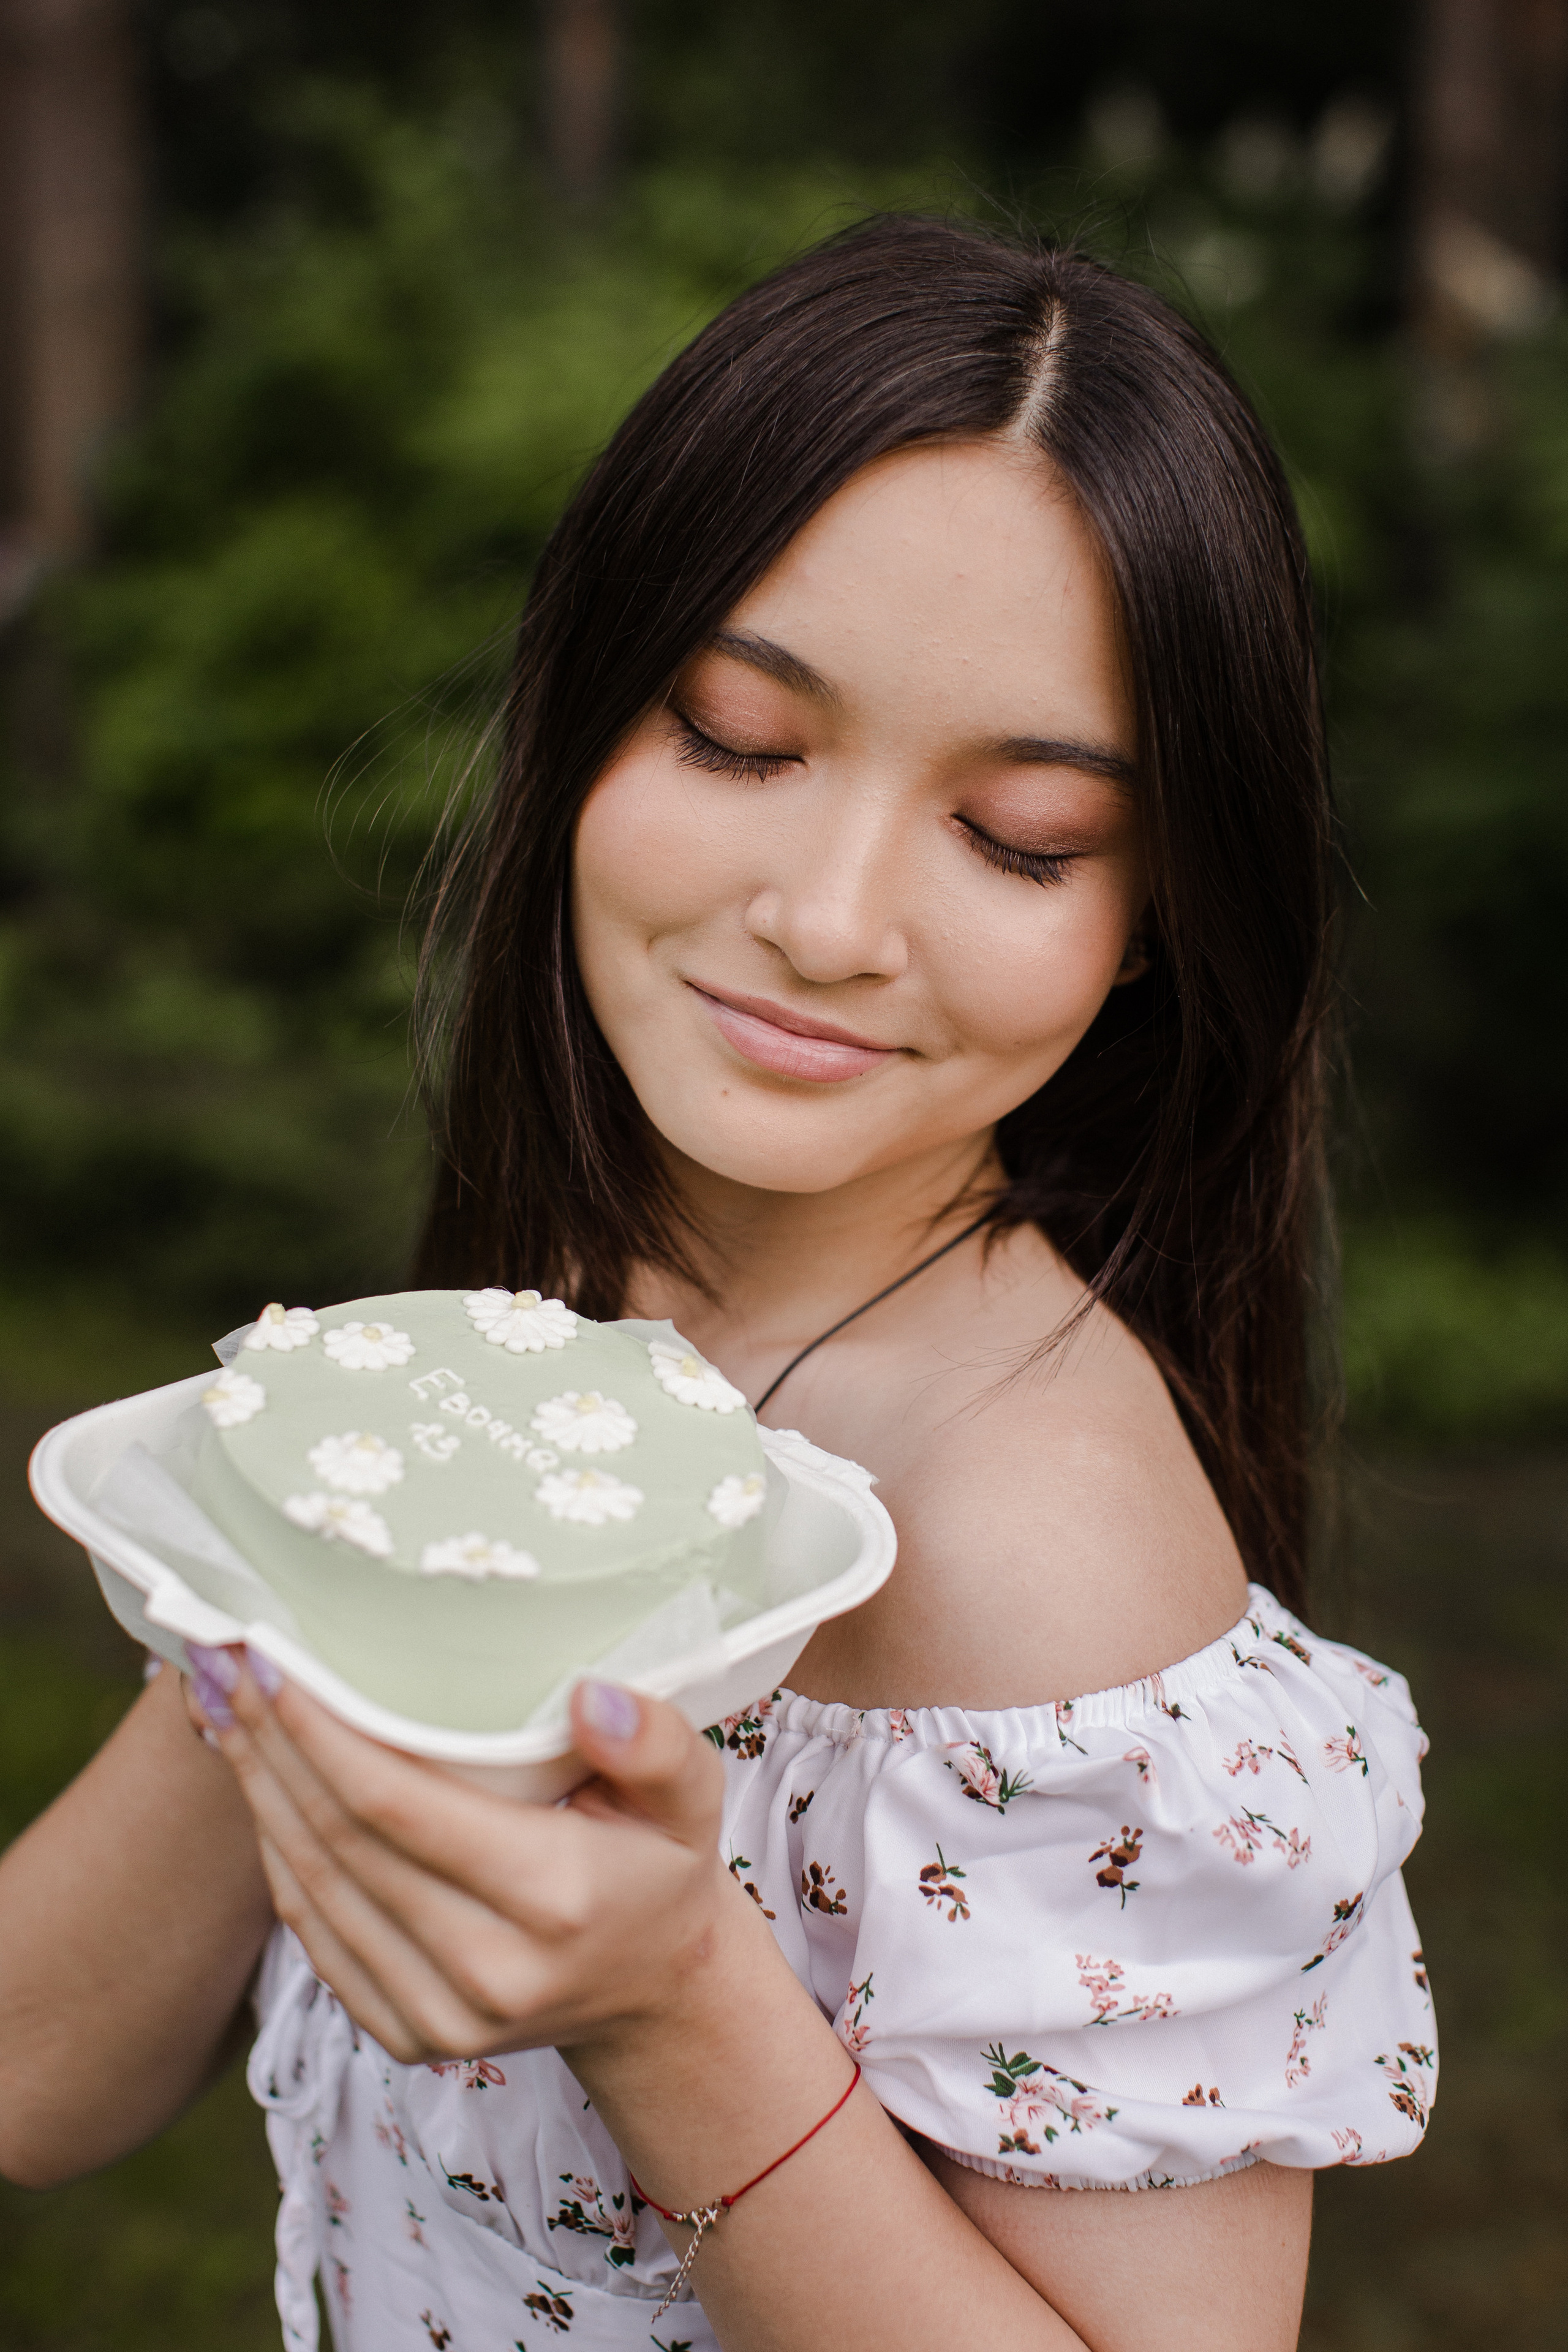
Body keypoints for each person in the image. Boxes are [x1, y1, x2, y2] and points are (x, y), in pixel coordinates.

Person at [0, 216, 1433, 2351]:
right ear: (583, 723)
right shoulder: (571, 1338)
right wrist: (316, 1590)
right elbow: (37, 2073)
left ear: (1148, 915)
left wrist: (671, 2004)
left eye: (1022, 834)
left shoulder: (1043, 1552)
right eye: (744, 738)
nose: (834, 918)